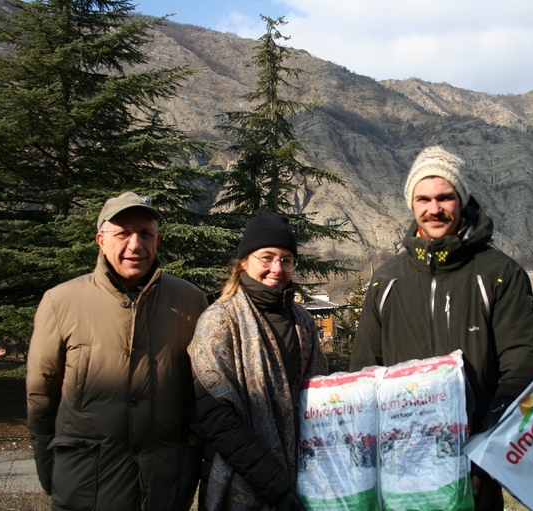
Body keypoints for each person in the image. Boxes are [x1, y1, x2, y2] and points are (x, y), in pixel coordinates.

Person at [349, 146, 533, 510]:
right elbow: (364, 373)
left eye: (444, 198)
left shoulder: (500, 274)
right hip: (400, 469)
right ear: (411, 204)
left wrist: (483, 451)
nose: (433, 209)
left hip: (473, 467)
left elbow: (520, 365)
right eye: (423, 198)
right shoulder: (386, 281)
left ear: (461, 198)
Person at [26, 191, 209, 510]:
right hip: (84, 487)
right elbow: (42, 396)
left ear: (158, 239)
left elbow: (200, 397)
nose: (135, 245)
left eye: (145, 234)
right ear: (100, 240)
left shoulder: (191, 302)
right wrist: (53, 473)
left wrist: (187, 464)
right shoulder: (61, 302)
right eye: (123, 233)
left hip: (165, 488)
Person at [189, 210, 329, 510]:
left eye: (286, 260)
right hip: (241, 485)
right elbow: (218, 419)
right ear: (244, 262)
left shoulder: (302, 322)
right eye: (266, 257)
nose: (277, 269)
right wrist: (275, 486)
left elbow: (317, 399)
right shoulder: (220, 321)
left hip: (301, 481)